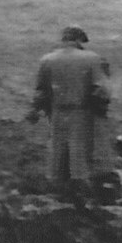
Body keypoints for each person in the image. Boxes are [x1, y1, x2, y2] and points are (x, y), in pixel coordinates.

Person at [25, 26, 111, 199]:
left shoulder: (47, 60)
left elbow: (41, 91)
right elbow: (101, 89)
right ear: (79, 40)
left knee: (57, 151)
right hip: (81, 112)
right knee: (80, 152)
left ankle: (56, 190)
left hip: (57, 112)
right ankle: (81, 192)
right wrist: (100, 109)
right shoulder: (92, 58)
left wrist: (35, 109)